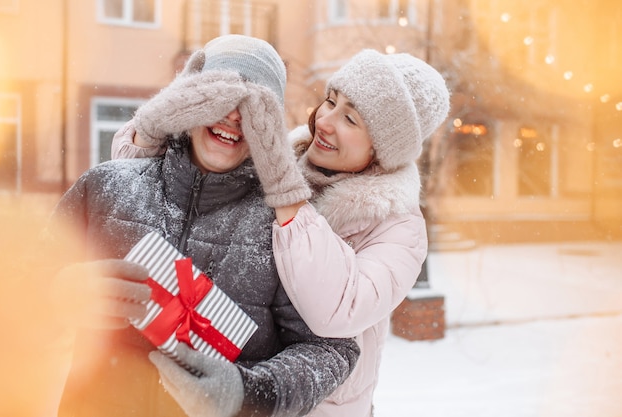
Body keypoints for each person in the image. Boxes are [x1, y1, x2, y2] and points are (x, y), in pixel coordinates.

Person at [114, 48, 450, 416]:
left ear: (382, 151)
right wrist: (153, 128)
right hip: (223, 387)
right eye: (331, 102)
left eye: (350, 119)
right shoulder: (277, 158)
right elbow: (156, 195)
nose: (324, 121)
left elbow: (336, 312)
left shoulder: (399, 228)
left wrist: (285, 192)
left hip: (315, 404)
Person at [45, 34, 360, 417]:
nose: (232, 116)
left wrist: (248, 393)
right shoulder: (104, 188)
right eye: (219, 96)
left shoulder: (285, 231)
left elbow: (332, 349)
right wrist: (58, 293)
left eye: (253, 107)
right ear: (188, 99)